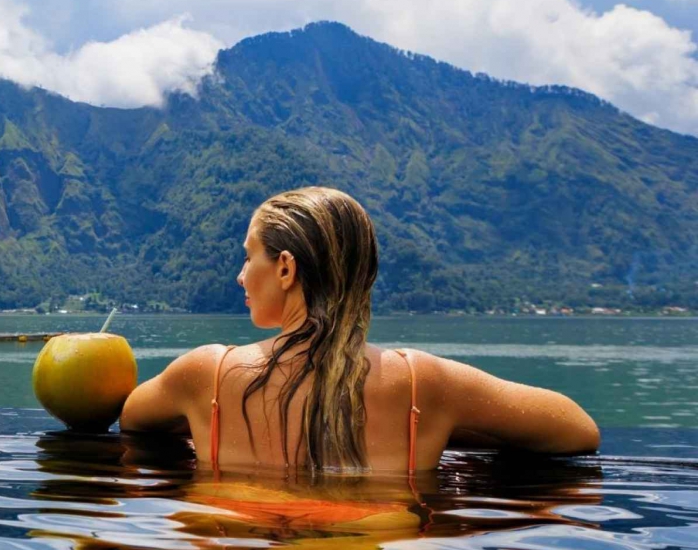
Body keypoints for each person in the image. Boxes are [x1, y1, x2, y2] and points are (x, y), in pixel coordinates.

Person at [120, 186, 599, 471]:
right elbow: (576, 430)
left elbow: (134, 420)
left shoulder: (207, 374)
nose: (241, 275)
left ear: (286, 269)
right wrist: (450, 425)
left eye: (249, 256)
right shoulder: (422, 385)